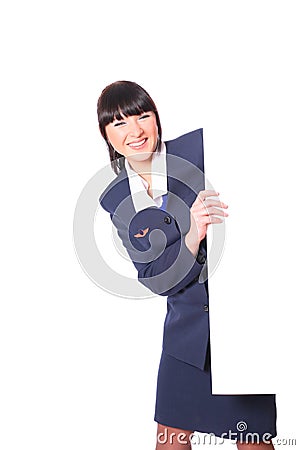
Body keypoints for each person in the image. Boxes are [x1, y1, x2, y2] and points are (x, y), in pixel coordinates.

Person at [97, 80, 277, 449]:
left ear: (157, 118)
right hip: (185, 337)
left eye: (143, 116)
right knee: (170, 442)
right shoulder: (117, 200)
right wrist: (193, 233)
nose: (135, 131)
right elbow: (156, 277)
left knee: (254, 442)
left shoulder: (199, 148)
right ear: (105, 135)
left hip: (242, 326)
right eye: (119, 124)